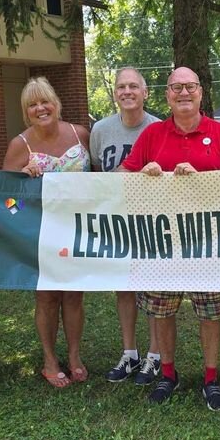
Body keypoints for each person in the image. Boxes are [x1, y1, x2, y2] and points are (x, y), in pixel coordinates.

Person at [119, 67, 220, 411]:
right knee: (161, 311)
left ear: (201, 92)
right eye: (176, 87)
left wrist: (204, 179)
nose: (184, 93)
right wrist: (143, 175)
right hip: (161, 244)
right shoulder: (152, 135)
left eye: (190, 86)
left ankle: (210, 378)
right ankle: (169, 373)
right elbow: (121, 177)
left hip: (210, 242)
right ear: (167, 95)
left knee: (210, 312)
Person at [3, 76, 91, 388]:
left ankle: (76, 355)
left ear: (56, 103)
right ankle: (50, 359)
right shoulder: (20, 145)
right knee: (47, 298)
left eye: (45, 101)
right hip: (39, 234)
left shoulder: (81, 134)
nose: (40, 108)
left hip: (78, 230)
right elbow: (8, 202)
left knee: (74, 296)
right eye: (32, 105)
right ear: (26, 112)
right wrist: (23, 184)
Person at [90, 67, 162, 385]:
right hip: (117, 221)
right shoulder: (101, 130)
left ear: (145, 93)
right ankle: (130, 353)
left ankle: (155, 356)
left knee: (156, 290)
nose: (128, 91)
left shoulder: (160, 128)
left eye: (134, 86)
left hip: (153, 220)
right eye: (122, 86)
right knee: (125, 288)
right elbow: (96, 171)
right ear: (115, 93)